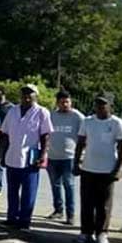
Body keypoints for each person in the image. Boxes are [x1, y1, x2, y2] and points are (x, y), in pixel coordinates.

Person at [73, 95, 122, 243]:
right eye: (97, 105)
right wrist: (76, 163)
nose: (100, 108)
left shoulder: (117, 123)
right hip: (88, 168)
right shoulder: (87, 122)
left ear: (110, 106)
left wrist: (118, 169)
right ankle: (86, 232)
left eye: (103, 105)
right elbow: (80, 143)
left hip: (107, 170)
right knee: (87, 203)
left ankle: (102, 234)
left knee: (104, 205)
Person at [0, 84, 53, 230]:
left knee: (29, 191)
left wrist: (43, 154)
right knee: (12, 190)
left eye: (30, 94)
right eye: (24, 94)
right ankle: (11, 218)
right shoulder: (12, 111)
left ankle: (24, 221)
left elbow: (45, 135)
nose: (26, 96)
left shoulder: (42, 112)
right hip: (12, 155)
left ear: (36, 96)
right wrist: (1, 153)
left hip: (31, 158)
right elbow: (4, 134)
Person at [46, 90, 84, 225]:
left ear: (71, 102)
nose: (65, 104)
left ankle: (70, 214)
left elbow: (84, 137)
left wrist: (81, 156)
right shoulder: (52, 116)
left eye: (67, 101)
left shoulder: (78, 117)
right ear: (57, 103)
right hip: (52, 157)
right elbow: (46, 134)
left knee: (69, 185)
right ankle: (58, 210)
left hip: (69, 157)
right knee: (55, 185)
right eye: (62, 102)